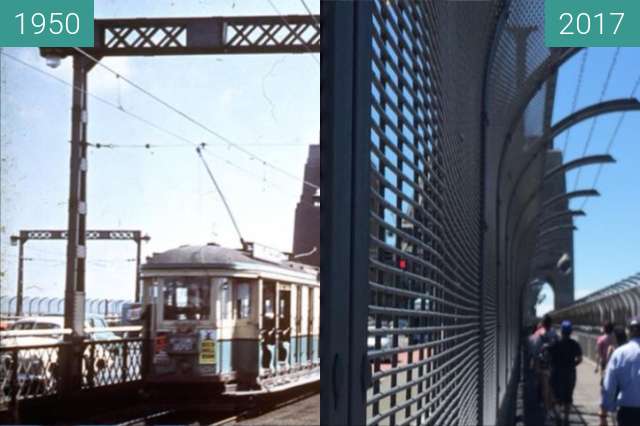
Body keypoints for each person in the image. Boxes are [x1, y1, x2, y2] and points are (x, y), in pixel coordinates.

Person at [601, 316, 640, 426]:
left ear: (628, 332)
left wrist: (608, 408)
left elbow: (609, 384)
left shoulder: (619, 353)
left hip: (627, 411)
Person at [549, 320, 582, 426]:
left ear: (561, 331)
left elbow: (548, 357)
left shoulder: (555, 343)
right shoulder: (574, 344)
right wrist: (573, 364)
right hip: (570, 373)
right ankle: (566, 419)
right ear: (571, 332)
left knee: (556, 395)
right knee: (568, 396)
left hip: (556, 373)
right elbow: (580, 359)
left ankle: (558, 416)